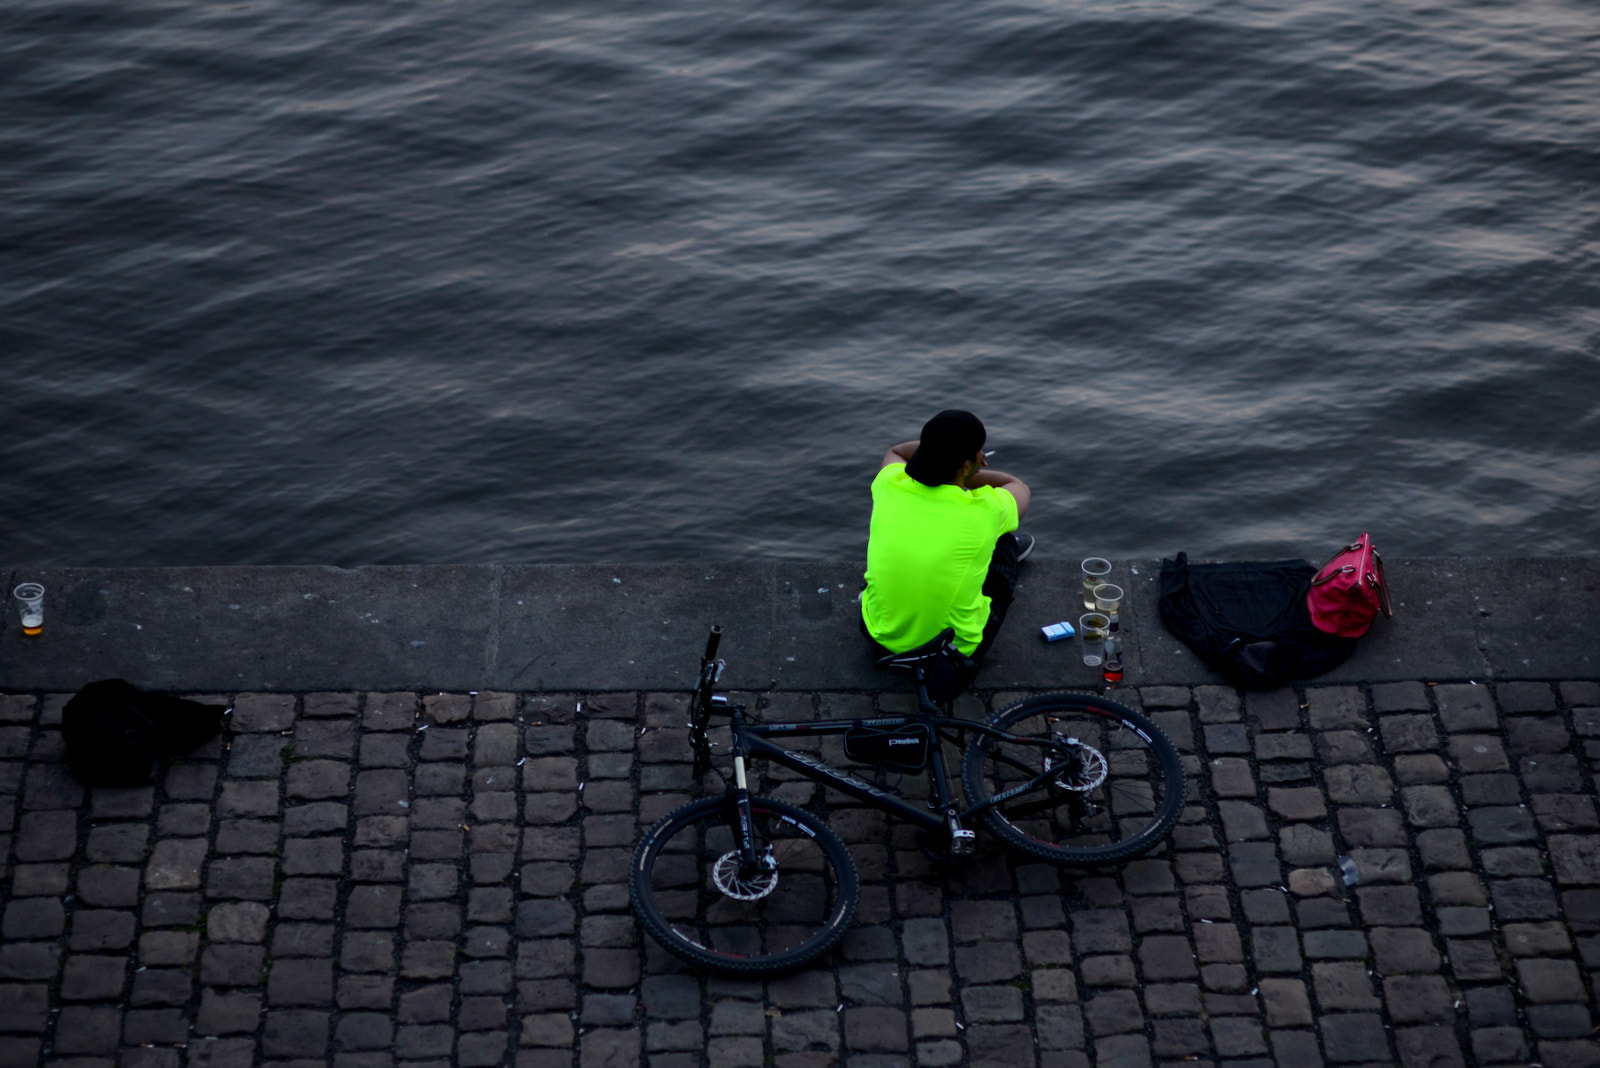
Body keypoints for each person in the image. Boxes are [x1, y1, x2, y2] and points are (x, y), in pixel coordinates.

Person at [860, 409, 1034, 663]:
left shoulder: (888, 483)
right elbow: (1017, 486)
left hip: (877, 634)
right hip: (949, 654)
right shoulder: (986, 510)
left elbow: (896, 451)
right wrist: (971, 473)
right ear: (966, 465)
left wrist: (939, 449)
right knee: (1004, 540)